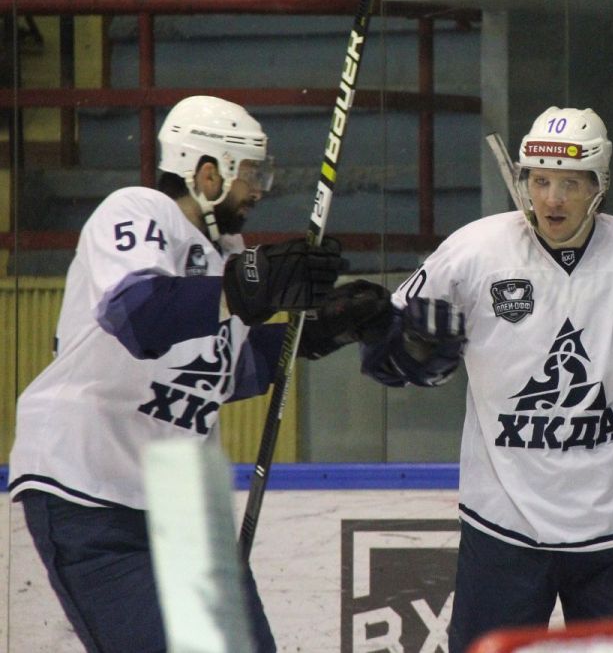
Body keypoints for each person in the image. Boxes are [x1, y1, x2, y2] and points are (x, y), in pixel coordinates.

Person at [8, 95, 392, 653]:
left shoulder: (225, 253)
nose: (259, 189)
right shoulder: (137, 210)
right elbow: (139, 316)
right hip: (91, 492)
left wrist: (326, 328)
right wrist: (250, 286)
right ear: (208, 172)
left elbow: (225, 372)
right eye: (251, 174)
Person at [362, 107, 613, 651]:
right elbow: (390, 343)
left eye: (570, 183)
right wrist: (389, 343)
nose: (552, 198)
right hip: (503, 527)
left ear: (598, 187)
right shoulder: (475, 252)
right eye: (540, 180)